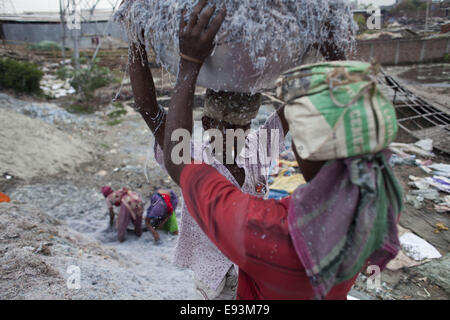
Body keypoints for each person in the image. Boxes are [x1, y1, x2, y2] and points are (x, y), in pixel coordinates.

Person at [161, 3, 403, 300]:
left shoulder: (266, 232)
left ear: (304, 150)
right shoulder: (378, 197)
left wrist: (188, 61)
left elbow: (179, 159)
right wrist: (330, 53)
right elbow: (359, 120)